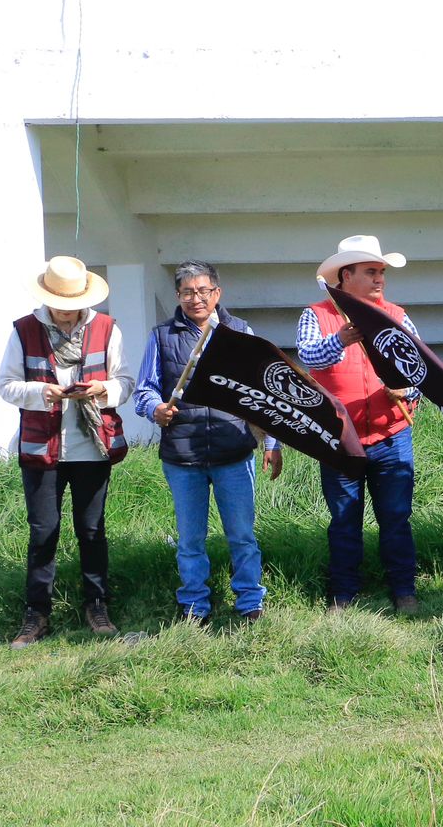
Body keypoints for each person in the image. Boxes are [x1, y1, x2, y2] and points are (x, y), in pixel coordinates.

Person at [133, 260, 282, 624]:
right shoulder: (162, 336)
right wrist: (156, 410)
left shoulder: (239, 331)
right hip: (183, 453)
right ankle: (195, 604)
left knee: (243, 535)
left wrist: (272, 443)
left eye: (203, 291)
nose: (195, 298)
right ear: (177, 296)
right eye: (187, 292)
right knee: (190, 539)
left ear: (217, 292)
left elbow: (260, 393)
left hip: (234, 449)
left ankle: (250, 601)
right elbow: (143, 391)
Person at [0, 256, 133, 648]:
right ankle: (36, 614)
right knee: (43, 533)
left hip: (92, 445)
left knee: (92, 531)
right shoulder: (24, 330)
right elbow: (6, 386)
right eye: (58, 302)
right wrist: (43, 392)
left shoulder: (107, 329)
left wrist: (102, 390)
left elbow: (125, 380)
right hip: (43, 447)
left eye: (71, 304)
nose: (65, 311)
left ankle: (97, 604)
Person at [297, 234, 423, 613]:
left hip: (390, 434)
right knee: (343, 519)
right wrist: (340, 340)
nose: (379, 279)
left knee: (396, 518)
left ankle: (404, 590)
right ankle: (343, 595)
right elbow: (307, 355)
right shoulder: (317, 314)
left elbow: (419, 368)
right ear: (345, 275)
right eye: (371, 272)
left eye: (381, 272)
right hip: (340, 437)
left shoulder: (397, 315)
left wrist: (409, 392)